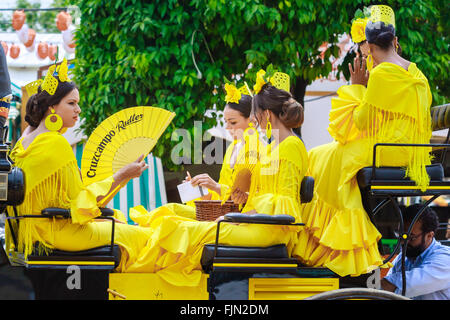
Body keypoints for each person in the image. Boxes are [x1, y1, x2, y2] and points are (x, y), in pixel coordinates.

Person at [128, 71, 309, 286]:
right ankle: (145, 268)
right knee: (179, 223)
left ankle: (144, 272)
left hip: (270, 230)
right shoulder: (275, 146)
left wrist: (240, 216)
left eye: (256, 114)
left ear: (267, 114)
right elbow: (259, 196)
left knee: (184, 229)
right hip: (258, 223)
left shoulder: (289, 146)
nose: (255, 120)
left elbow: (285, 207)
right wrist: (241, 204)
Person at [293, 5, 434, 277]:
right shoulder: (415, 71)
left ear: (368, 46)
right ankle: (337, 241)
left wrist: (358, 85)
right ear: (395, 40)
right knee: (327, 153)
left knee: (331, 156)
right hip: (406, 149)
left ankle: (340, 247)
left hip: (390, 149)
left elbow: (361, 120)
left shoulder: (382, 74)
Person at [5, 60, 154, 272]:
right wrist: (122, 175)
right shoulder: (54, 143)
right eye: (72, 103)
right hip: (57, 233)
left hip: (36, 230)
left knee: (119, 219)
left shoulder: (24, 141)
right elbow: (81, 205)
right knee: (146, 237)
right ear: (52, 107)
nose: (79, 109)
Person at [147, 83, 256, 220]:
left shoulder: (257, 148)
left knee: (170, 216)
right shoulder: (232, 147)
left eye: (233, 122)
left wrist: (215, 186)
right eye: (226, 122)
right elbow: (220, 197)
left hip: (240, 216)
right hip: (221, 211)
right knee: (168, 211)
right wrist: (201, 188)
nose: (227, 127)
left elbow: (249, 196)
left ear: (251, 120)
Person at [381, 204, 450, 299]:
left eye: (410, 237)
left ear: (429, 235)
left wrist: (368, 283)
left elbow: (401, 285)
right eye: (399, 234)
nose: (402, 241)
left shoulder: (445, 259)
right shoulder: (403, 257)